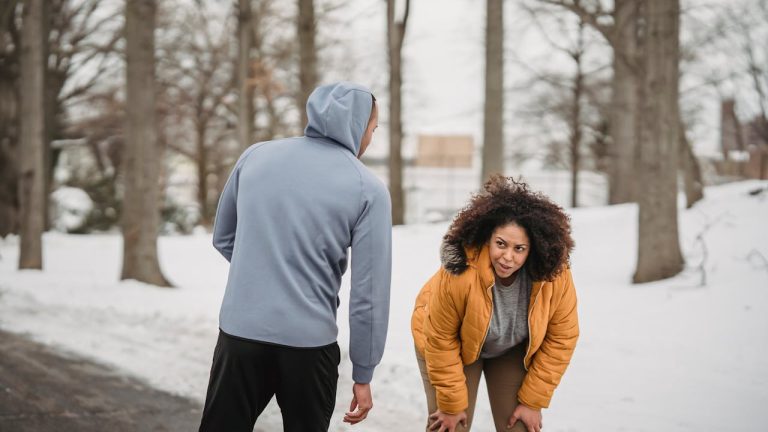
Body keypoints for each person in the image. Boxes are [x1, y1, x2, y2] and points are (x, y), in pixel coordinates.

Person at [199, 82, 392, 432]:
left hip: (240, 336)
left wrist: (262, 274)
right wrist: (363, 373)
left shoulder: (255, 155)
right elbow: (369, 295)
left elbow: (224, 236)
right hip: (308, 346)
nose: (370, 139)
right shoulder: (368, 188)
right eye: (372, 129)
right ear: (358, 126)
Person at [411, 175, 579, 432]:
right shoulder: (461, 272)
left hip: (508, 348)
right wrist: (452, 406)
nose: (507, 257)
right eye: (501, 244)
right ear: (487, 237)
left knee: (520, 425)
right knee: (449, 426)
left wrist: (532, 402)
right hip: (451, 346)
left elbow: (561, 339)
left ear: (534, 249)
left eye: (519, 248)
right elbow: (441, 338)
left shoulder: (554, 277)